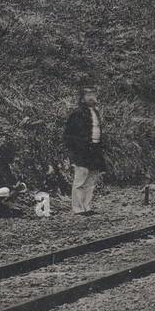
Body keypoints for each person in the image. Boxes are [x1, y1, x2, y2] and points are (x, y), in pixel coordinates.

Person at [63, 84, 107, 215]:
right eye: (88, 95)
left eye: (93, 95)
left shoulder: (96, 112)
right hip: (82, 151)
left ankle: (87, 206)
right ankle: (77, 209)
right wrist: (75, 150)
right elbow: (68, 135)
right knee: (80, 179)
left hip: (95, 149)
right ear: (82, 98)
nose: (91, 98)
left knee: (91, 180)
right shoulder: (77, 113)